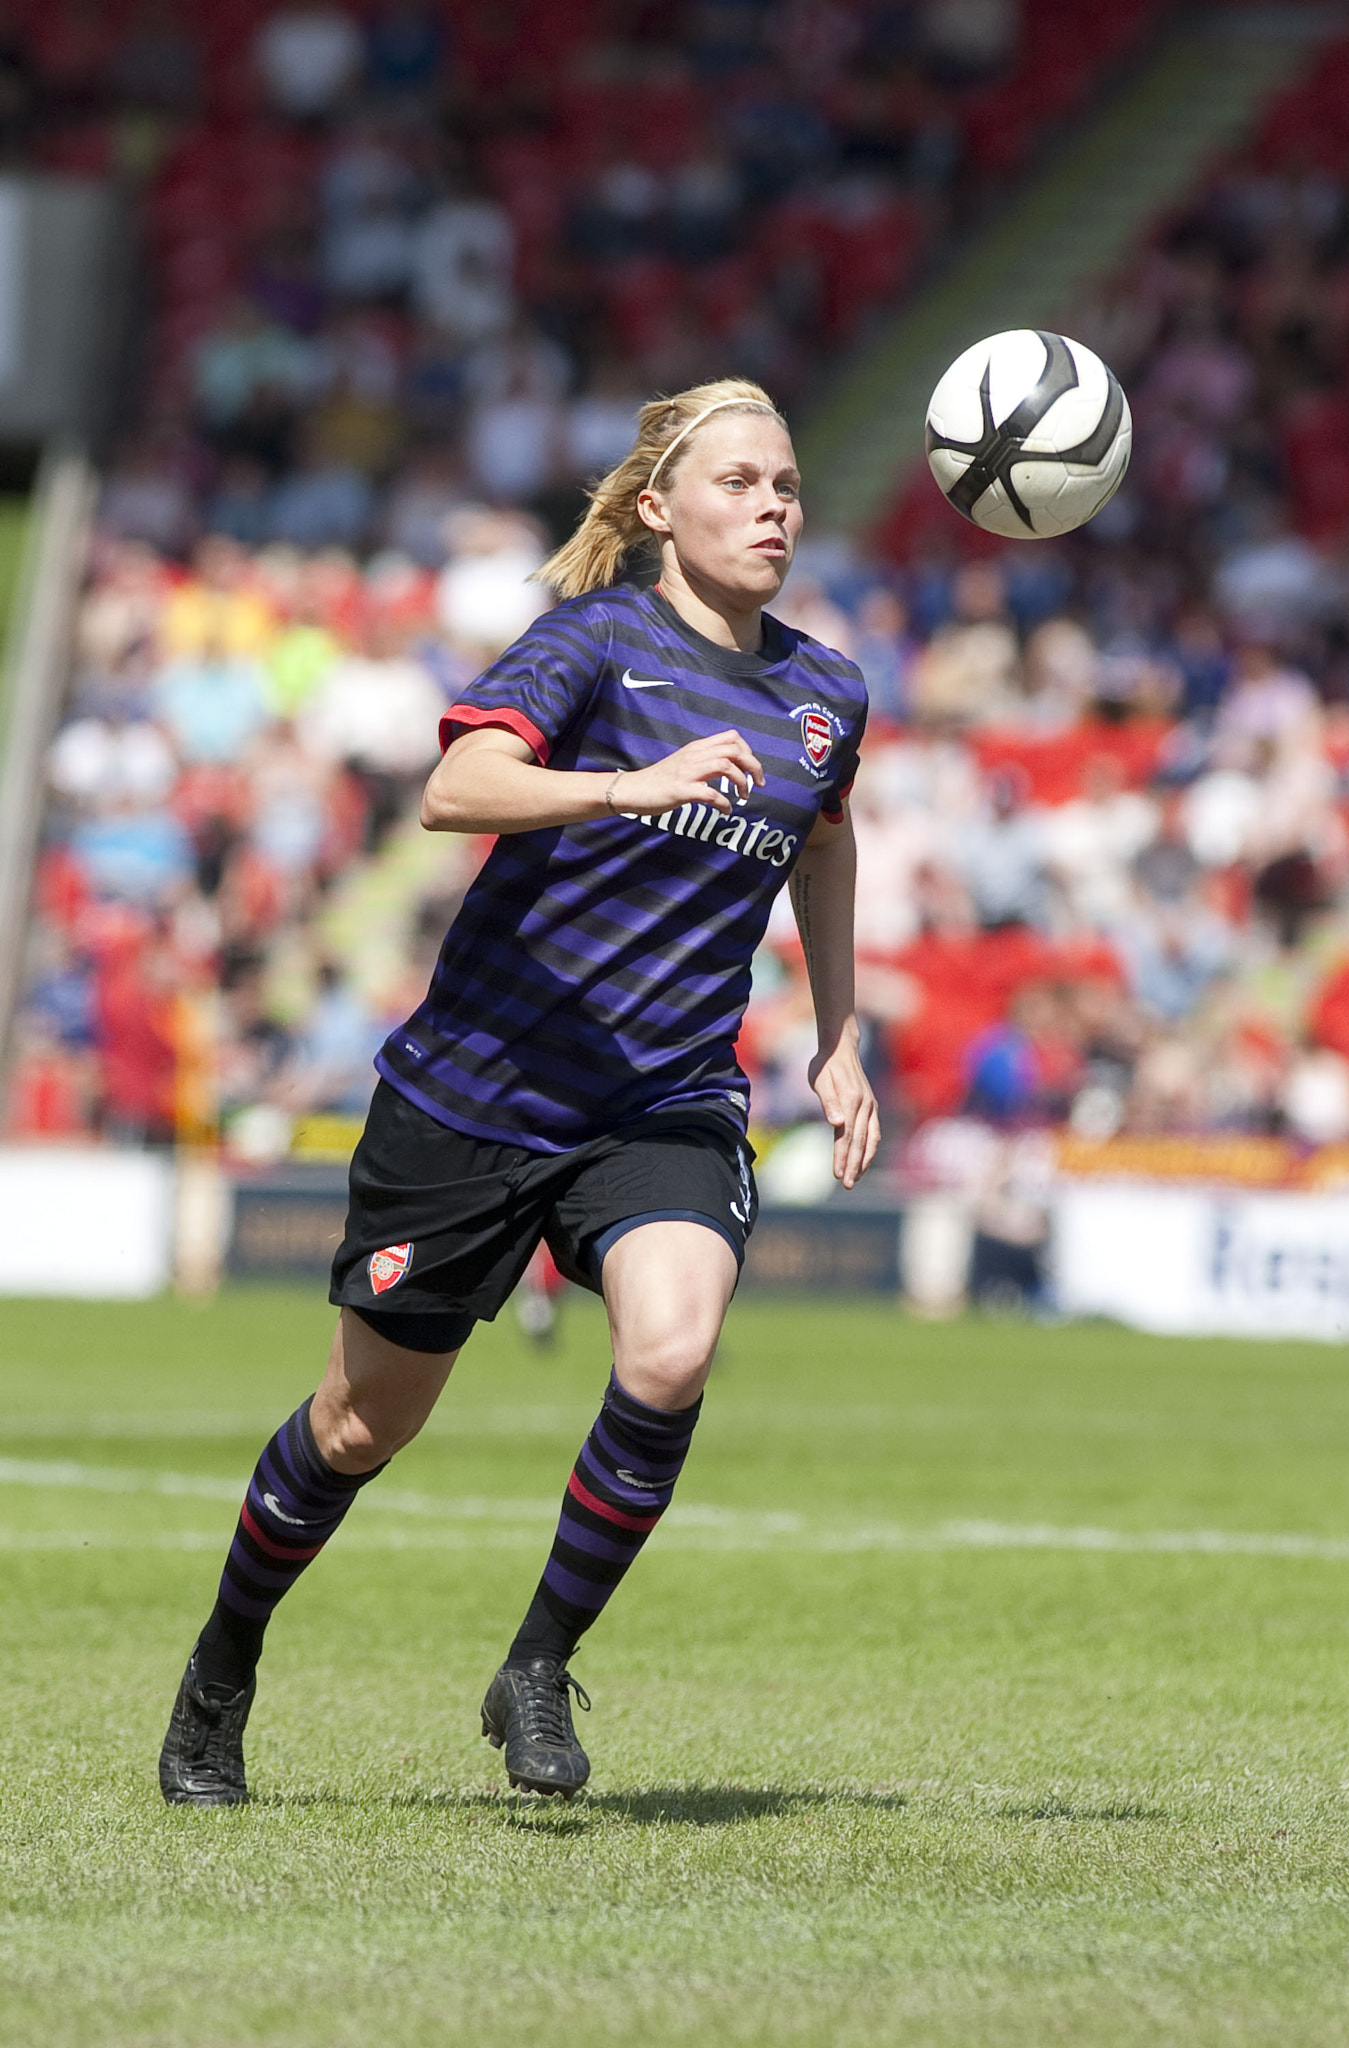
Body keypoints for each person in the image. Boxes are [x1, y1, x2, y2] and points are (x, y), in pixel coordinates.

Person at [159, 376, 878, 1806]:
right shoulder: (591, 642)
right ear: (658, 510)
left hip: (662, 1098)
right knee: (361, 1426)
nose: (772, 508)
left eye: (786, 486)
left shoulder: (826, 691)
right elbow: (457, 791)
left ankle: (536, 1663)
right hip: (477, 1095)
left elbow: (825, 840)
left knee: (670, 1353)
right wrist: (630, 784)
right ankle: (220, 1673)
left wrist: (838, 1034)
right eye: (738, 483)